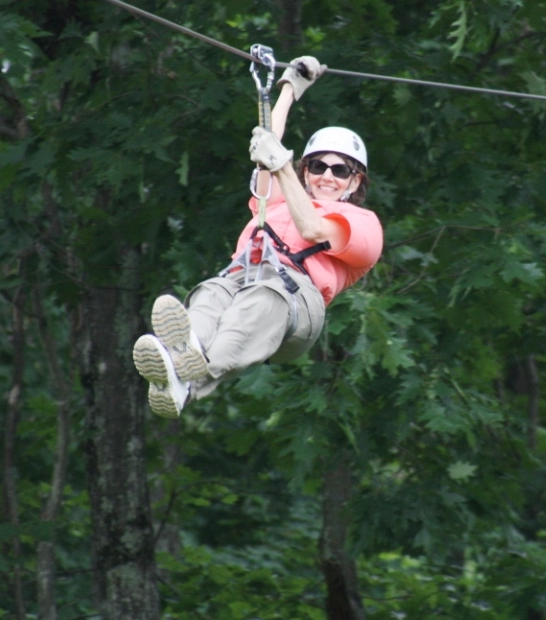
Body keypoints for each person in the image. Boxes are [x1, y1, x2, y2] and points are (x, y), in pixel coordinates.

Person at [132, 56, 384, 418]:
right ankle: (178, 367)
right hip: (242, 276)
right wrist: (288, 89)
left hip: (294, 304)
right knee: (211, 292)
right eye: (317, 166)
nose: (327, 176)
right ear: (306, 170)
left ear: (355, 181)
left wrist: (282, 166)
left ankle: (193, 380)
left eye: (340, 169)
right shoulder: (282, 196)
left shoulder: (364, 226)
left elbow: (313, 228)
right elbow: (269, 142)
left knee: (262, 300)